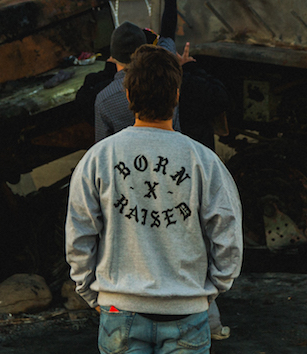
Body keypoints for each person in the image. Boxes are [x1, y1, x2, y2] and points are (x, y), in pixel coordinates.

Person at [66, 45, 244, 354]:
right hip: (186, 311)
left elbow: (79, 237)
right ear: (177, 96)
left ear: (128, 97)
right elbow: (228, 237)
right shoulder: (204, 161)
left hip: (119, 311)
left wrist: (93, 294)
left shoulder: (98, 159)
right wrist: (210, 291)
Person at [94, 0, 186, 142]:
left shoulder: (104, 99)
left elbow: (102, 145)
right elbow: (168, 31)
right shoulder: (165, 79)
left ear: (112, 57)